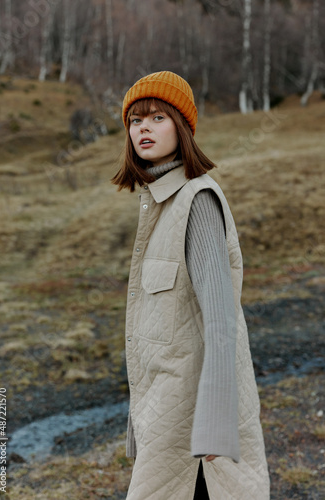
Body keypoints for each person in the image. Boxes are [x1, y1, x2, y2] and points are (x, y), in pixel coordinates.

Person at [111, 71, 270, 500]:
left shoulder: (196, 201)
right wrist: (138, 423)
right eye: (135, 120)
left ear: (182, 128)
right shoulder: (157, 204)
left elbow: (220, 320)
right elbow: (157, 331)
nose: (143, 128)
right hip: (166, 416)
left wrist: (218, 422)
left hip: (199, 430)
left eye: (158, 118)